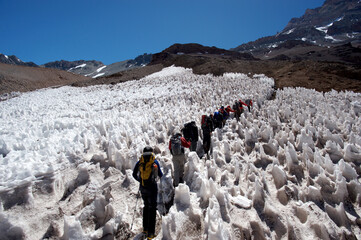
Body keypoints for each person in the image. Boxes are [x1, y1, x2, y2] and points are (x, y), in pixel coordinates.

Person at [132, 146, 163, 239]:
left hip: (143, 188)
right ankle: (151, 233)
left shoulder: (140, 162)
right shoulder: (154, 161)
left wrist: (141, 180)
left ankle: (145, 229)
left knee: (146, 206)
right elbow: (160, 174)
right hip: (152, 188)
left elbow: (134, 174)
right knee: (152, 208)